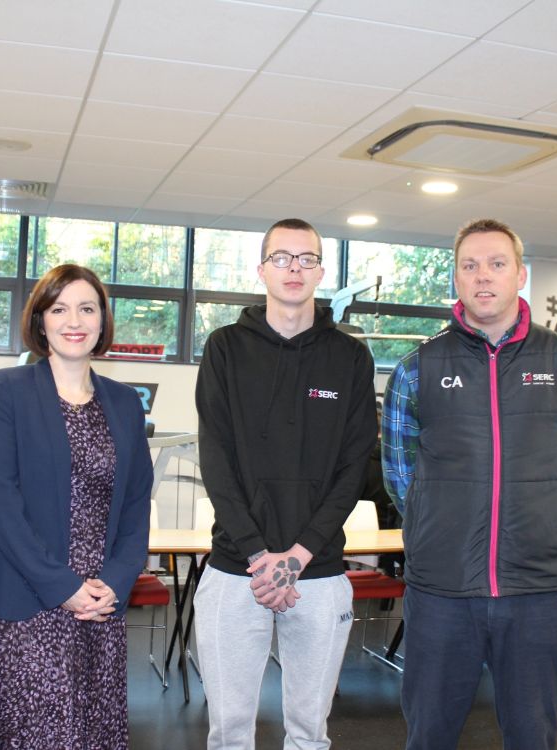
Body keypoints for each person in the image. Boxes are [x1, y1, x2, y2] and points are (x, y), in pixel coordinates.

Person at [382, 218, 557, 750]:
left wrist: (538, 521)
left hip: (534, 591)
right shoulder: (416, 369)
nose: (484, 276)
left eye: (497, 264)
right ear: (456, 279)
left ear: (520, 275)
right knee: (429, 735)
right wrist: (442, 529)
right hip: (441, 591)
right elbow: (399, 477)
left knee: (533, 736)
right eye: (470, 265)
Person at [194, 218, 377, 749]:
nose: (293, 269)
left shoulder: (350, 358)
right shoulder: (226, 348)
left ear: (321, 271)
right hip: (235, 570)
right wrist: (259, 554)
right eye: (282, 258)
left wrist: (296, 555)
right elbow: (217, 461)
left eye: (306, 259)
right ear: (261, 269)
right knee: (228, 732)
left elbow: (353, 469)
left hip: (318, 574)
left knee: (309, 733)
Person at [0, 264, 153, 749]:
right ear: (40, 320)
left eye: (87, 308)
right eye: (59, 308)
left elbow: (134, 505)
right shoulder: (7, 390)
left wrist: (117, 580)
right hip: (25, 599)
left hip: (97, 604)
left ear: (102, 322)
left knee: (89, 733)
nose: (75, 320)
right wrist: (62, 586)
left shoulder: (126, 402)